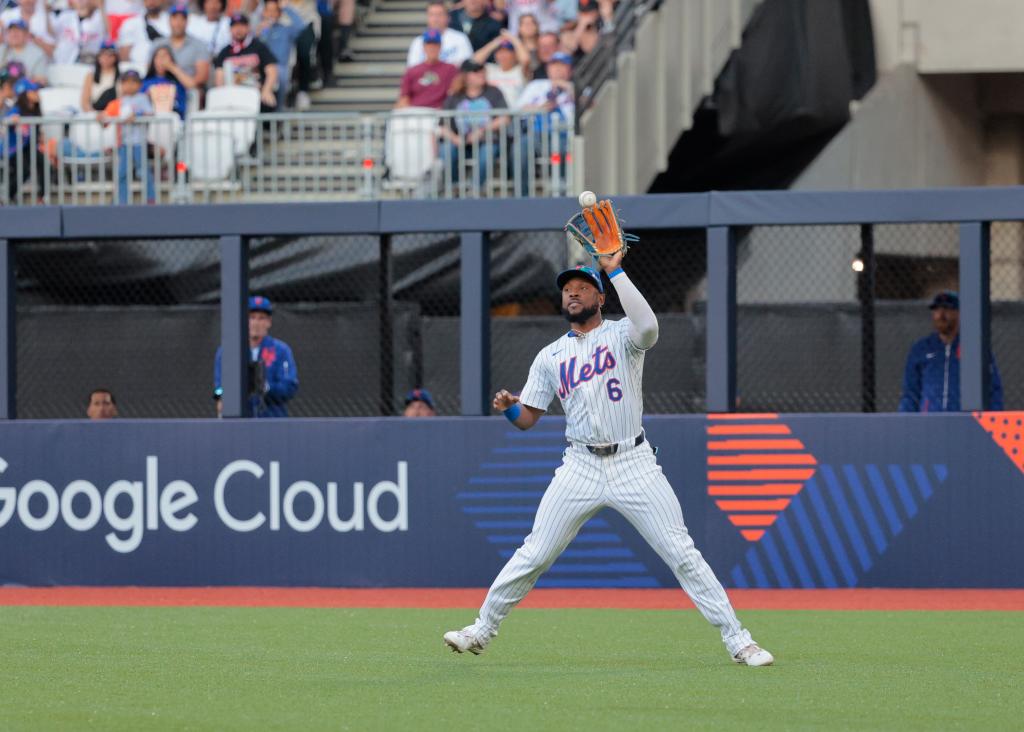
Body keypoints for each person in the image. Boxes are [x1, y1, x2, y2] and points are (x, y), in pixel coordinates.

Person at [442, 250, 774, 668]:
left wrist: (614, 270)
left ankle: (739, 641)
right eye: (567, 290)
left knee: (681, 552)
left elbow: (650, 325)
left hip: (633, 462)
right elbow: (528, 419)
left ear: (601, 298)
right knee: (535, 552)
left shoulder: (622, 336)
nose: (573, 294)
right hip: (579, 465)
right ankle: (481, 630)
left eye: (582, 288)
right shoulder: (550, 356)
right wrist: (511, 406)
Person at [898, 290, 1003, 412]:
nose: (941, 315)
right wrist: (907, 422)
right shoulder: (921, 348)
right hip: (929, 422)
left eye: (947, 309)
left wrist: (992, 419)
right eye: (936, 310)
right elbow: (910, 392)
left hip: (965, 421)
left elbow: (993, 389)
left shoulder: (974, 347)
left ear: (959, 313)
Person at [213, 295, 299, 418]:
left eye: (261, 318)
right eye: (251, 318)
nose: (256, 323)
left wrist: (266, 388)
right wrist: (221, 397)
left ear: (269, 322)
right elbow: (218, 388)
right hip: (238, 422)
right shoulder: (227, 352)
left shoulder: (281, 350)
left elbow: (289, 386)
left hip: (272, 420)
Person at [439, 59, 507, 186]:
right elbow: (442, 125)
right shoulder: (455, 96)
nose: (481, 73)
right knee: (446, 150)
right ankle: (454, 188)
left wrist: (482, 130)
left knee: (487, 154)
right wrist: (455, 138)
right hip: (461, 141)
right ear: (465, 76)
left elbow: (505, 118)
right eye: (475, 71)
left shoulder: (494, 92)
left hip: (487, 140)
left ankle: (474, 190)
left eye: (482, 70)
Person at [514, 50, 573, 194]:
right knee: (521, 147)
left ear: (569, 69)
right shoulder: (537, 85)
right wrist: (540, 108)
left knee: (560, 148)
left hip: (566, 135)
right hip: (538, 133)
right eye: (554, 65)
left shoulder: (575, 86)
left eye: (562, 65)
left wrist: (568, 88)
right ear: (548, 68)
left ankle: (563, 190)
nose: (557, 69)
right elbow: (517, 110)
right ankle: (523, 194)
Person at [100, 69, 156, 204]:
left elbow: (150, 114)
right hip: (124, 144)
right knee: (122, 173)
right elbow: (107, 119)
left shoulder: (142, 98)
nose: (129, 86)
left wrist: (137, 115)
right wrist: (101, 117)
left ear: (139, 85)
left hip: (138, 142)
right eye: (126, 82)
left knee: (143, 171)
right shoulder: (119, 101)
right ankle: (122, 201)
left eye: (133, 82)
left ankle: (150, 199)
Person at [214, 13, 279, 112]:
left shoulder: (259, 47)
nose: (238, 29)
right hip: (233, 96)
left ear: (248, 27)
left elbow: (272, 70)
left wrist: (267, 90)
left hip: (256, 93)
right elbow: (219, 79)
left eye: (242, 25)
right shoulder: (224, 52)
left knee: (268, 103)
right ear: (230, 29)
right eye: (235, 26)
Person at [253, 0, 304, 110]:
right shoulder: (259, 29)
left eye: (274, 11)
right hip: (260, 69)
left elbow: (301, 26)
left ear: (279, 13)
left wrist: (286, 8)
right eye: (268, 11)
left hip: (280, 67)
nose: (271, 14)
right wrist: (261, 30)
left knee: (279, 74)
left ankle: (279, 111)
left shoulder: (285, 30)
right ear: (263, 12)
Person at [395, 29, 458, 109]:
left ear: (440, 47)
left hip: (439, 113)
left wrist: (443, 109)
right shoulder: (412, 70)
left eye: (435, 45)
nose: (432, 48)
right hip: (416, 113)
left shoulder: (450, 69)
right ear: (424, 47)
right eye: (429, 45)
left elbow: (454, 93)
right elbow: (404, 97)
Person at [152, 5, 211, 89]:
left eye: (182, 19)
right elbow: (150, 71)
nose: (178, 23)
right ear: (169, 20)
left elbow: (201, 79)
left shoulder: (199, 45)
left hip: (188, 93)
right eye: (174, 18)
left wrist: (171, 66)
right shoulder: (158, 44)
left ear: (187, 21)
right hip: (158, 89)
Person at [405, 0, 471, 68]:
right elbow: (412, 70)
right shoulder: (418, 42)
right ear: (427, 17)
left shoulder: (460, 38)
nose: (435, 19)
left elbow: (466, 69)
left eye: (440, 14)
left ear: (448, 17)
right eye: (432, 15)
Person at [473, 31, 529, 107]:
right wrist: (495, 42)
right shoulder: (490, 69)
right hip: (493, 115)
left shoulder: (519, 70)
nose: (503, 56)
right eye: (499, 52)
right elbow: (474, 62)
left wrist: (513, 39)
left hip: (515, 115)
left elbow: (525, 60)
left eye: (507, 52)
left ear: (515, 55)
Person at [142, 44, 195, 117]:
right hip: (152, 119)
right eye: (158, 57)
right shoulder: (145, 82)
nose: (161, 60)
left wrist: (171, 67)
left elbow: (191, 85)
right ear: (153, 60)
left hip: (175, 119)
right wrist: (147, 97)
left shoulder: (178, 81)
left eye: (164, 56)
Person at [117, 0, 170, 69]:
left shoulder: (172, 21)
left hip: (166, 70)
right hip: (137, 70)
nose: (151, 2)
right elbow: (124, 54)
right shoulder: (130, 23)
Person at [52, 0, 107, 65]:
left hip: (89, 62)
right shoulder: (65, 16)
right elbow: (51, 33)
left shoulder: (98, 17)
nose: (81, 1)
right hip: (65, 61)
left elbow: (108, 32)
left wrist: (101, 6)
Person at [81, 40, 120, 112]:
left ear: (115, 57)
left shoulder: (121, 76)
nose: (106, 58)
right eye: (103, 54)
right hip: (95, 114)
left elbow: (122, 99)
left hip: (114, 114)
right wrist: (94, 114)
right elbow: (85, 102)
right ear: (98, 56)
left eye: (110, 55)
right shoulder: (91, 76)